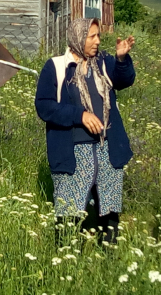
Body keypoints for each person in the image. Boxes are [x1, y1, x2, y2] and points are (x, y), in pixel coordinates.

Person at [35, 18, 135, 246]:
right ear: (78, 38)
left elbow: (124, 80)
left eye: (98, 36)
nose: (98, 41)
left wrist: (121, 59)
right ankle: (67, 256)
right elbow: (44, 106)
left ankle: (108, 257)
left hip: (106, 147)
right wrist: (79, 115)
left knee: (108, 208)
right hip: (73, 151)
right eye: (92, 36)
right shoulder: (57, 67)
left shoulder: (103, 63)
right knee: (69, 209)